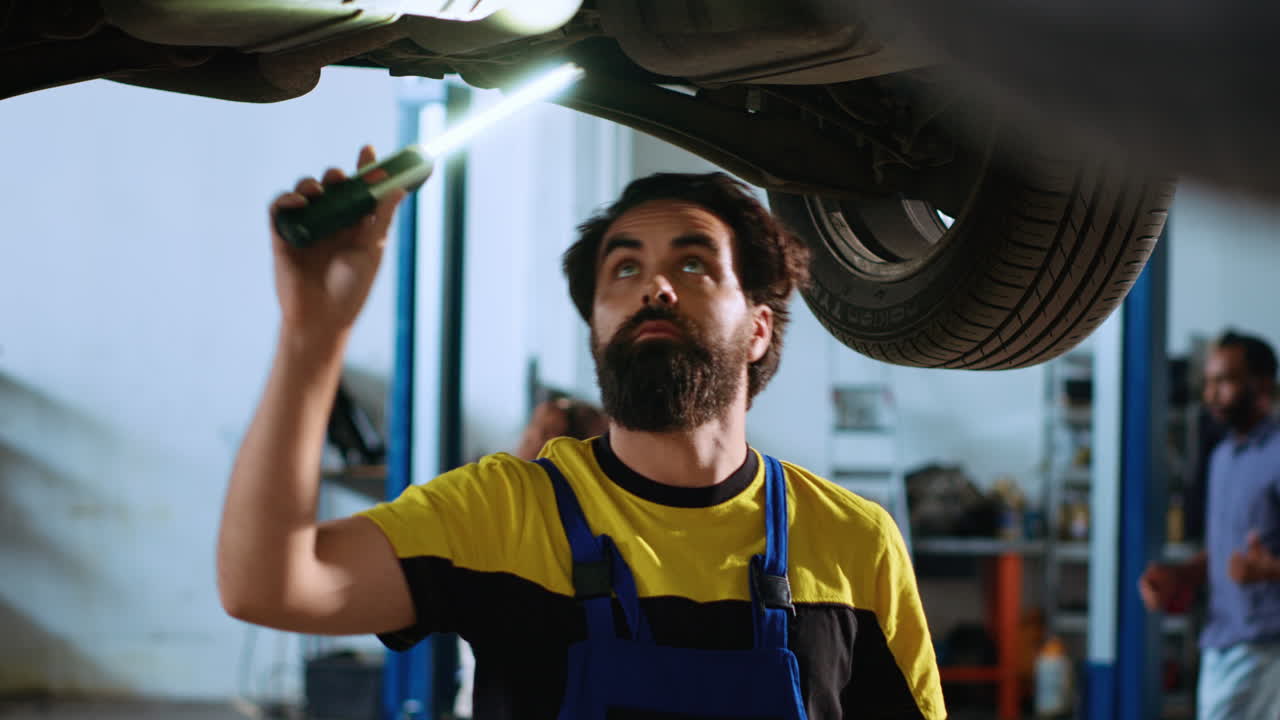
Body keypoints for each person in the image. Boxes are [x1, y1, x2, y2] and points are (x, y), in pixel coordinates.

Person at [218, 146, 945, 719]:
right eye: (624, 268)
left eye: (693, 263)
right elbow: (267, 585)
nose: (655, 285)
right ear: (598, 329)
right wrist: (314, 329)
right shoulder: (504, 511)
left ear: (758, 328)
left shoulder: (854, 542)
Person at [1140, 330, 1280, 720]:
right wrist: (1180, 575)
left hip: (1269, 650)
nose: (1211, 395)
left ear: (1261, 383)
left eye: (1225, 382)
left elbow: (1253, 563)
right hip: (1220, 643)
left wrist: (1268, 570)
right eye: (1208, 383)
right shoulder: (1222, 458)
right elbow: (1223, 552)